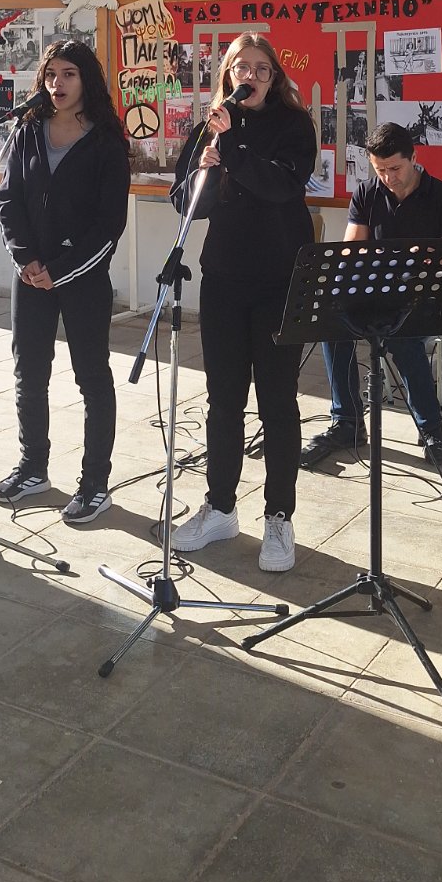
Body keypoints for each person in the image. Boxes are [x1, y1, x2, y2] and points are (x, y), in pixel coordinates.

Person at [170, 34, 318, 572]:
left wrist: (231, 148)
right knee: (224, 400)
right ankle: (221, 508)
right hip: (224, 279)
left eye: (261, 68)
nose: (250, 76)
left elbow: (280, 187)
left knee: (278, 401)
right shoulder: (211, 126)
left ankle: (279, 516)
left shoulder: (294, 125)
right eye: (241, 68)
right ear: (228, 75)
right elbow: (186, 202)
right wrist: (207, 170)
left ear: (274, 77)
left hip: (280, 282)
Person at [0, 38, 130, 524]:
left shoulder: (107, 141)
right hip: (31, 276)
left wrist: (61, 269)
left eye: (69, 74)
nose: (57, 83)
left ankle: (95, 484)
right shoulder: (27, 131)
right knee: (29, 372)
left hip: (82, 279)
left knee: (92, 378)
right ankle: (33, 467)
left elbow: (109, 224)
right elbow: (8, 200)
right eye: (51, 74)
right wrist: (26, 259)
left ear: (86, 80)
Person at [300, 120, 442, 469]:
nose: (388, 178)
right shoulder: (366, 193)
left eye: (395, 168)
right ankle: (347, 422)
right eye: (380, 170)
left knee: (402, 337)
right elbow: (350, 252)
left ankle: (431, 428)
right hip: (376, 294)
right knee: (332, 327)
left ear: (414, 158)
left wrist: (424, 264)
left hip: (423, 299)